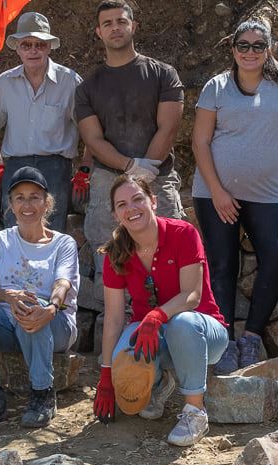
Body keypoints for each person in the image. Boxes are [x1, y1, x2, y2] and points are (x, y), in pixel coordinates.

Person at [191, 19, 278, 370]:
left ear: (268, 49)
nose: (250, 52)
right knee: (222, 265)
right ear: (233, 49)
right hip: (214, 193)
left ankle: (252, 337)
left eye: (258, 46)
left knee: (276, 258)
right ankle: (224, 341)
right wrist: (217, 191)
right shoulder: (217, 86)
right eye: (243, 45)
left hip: (267, 192)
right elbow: (200, 140)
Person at [95, 174, 228, 447]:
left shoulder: (183, 234)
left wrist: (157, 315)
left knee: (182, 323)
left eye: (137, 199)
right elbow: (114, 319)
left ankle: (195, 411)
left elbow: (192, 295)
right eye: (122, 205)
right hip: (152, 335)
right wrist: (107, 376)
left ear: (153, 201)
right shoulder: (115, 254)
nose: (131, 208)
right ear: (116, 214)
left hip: (203, 333)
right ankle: (157, 385)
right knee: (125, 354)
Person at [0, 167, 80, 432]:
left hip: (54, 323)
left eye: (34, 197)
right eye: (20, 197)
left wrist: (51, 307)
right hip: (7, 320)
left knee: (31, 307)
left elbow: (62, 283)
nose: (27, 204)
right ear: (11, 204)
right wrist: (8, 296)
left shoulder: (63, 243)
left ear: (47, 202)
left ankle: (43, 393)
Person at [76, 0, 185, 269]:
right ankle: (110, 313)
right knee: (111, 262)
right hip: (107, 180)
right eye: (107, 23)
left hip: (158, 175)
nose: (115, 28)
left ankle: (170, 312)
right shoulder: (88, 87)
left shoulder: (163, 74)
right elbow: (93, 139)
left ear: (133, 26)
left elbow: (168, 127)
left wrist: (146, 171)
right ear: (98, 32)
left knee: (171, 258)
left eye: (121, 21)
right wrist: (130, 167)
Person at [0, 12, 81, 230]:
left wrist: (85, 167)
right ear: (17, 48)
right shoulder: (4, 83)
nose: (33, 50)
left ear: (49, 47)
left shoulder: (69, 81)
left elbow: (89, 127)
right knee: (13, 226)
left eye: (39, 44)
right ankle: (15, 266)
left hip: (56, 166)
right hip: (15, 164)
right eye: (26, 44)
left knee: (52, 228)